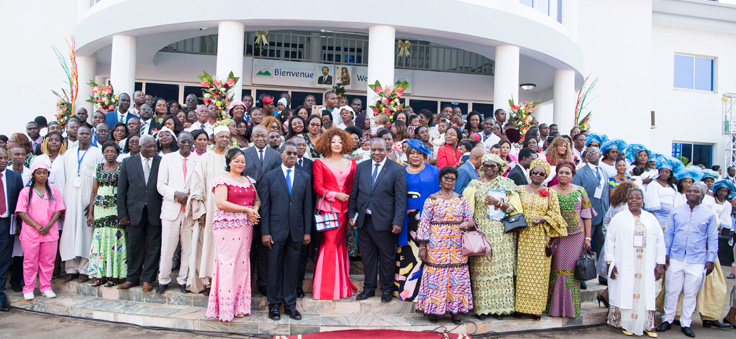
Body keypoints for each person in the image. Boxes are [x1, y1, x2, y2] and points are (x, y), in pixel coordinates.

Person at [657, 183, 719, 338]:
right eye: (689, 191)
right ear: (685, 194)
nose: (692, 193)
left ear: (702, 195)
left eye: (696, 191)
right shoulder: (676, 211)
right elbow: (669, 233)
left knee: (690, 293)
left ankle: (686, 323)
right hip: (676, 257)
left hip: (697, 259)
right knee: (672, 290)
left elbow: (712, 238)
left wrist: (710, 259)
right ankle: (667, 319)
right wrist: (665, 253)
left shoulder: (709, 214)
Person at [349, 138, 408, 302]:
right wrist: (351, 215)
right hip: (364, 221)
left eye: (380, 150)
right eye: (373, 149)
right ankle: (368, 288)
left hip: (386, 222)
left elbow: (401, 199)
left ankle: (387, 290)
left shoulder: (396, 169)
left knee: (387, 258)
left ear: (386, 149)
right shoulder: (361, 167)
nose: (376, 153)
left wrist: (397, 222)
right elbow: (354, 193)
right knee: (367, 257)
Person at [463, 154, 521, 319]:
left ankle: (500, 309)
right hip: (482, 233)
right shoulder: (474, 184)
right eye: (486, 165)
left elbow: (517, 209)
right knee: (481, 271)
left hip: (502, 234)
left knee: (501, 271)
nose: (489, 169)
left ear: (499, 167)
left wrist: (499, 203)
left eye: (493, 166)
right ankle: (482, 309)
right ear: (482, 166)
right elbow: (468, 210)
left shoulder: (507, 184)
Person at [205, 148, 260, 322]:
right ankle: (225, 307)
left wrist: (254, 211)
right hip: (226, 226)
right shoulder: (222, 180)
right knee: (227, 263)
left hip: (245, 225)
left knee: (242, 263)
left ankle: (240, 306)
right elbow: (221, 203)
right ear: (229, 162)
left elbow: (256, 199)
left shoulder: (248, 180)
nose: (240, 164)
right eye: (236, 161)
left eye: (243, 161)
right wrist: (246, 209)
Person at [415, 166, 474, 324]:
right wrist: (422, 247)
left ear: (455, 181)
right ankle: (434, 309)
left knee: (457, 276)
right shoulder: (431, 199)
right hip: (436, 244)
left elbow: (470, 219)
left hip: (457, 244)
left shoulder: (461, 199)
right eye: (446, 178)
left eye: (452, 179)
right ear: (440, 180)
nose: (449, 181)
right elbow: (424, 224)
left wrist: (467, 224)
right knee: (436, 276)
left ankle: (456, 310)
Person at [260, 141, 312, 321]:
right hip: (275, 231)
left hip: (297, 231)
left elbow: (307, 207)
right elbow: (265, 207)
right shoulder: (270, 177)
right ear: (281, 155)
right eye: (289, 153)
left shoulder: (304, 177)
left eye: (295, 154)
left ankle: (290, 305)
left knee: (292, 270)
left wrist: (307, 232)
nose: (292, 157)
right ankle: (274, 305)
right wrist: (265, 232)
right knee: (274, 269)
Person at [604, 187, 665, 336]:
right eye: (631, 197)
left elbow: (659, 240)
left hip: (646, 262)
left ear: (643, 201)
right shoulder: (619, 217)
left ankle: (646, 325)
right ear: (627, 199)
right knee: (625, 291)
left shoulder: (650, 218)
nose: (634, 201)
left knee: (645, 291)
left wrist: (660, 263)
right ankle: (627, 324)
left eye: (638, 198)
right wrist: (609, 263)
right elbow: (609, 240)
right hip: (624, 262)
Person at [516, 158, 568, 319]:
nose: (537, 175)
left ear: (545, 176)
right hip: (522, 235)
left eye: (541, 174)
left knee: (539, 272)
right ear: (529, 173)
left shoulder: (550, 192)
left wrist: (543, 219)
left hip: (540, 236)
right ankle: (520, 307)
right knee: (521, 271)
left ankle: (536, 309)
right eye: (535, 172)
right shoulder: (519, 189)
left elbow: (556, 214)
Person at [310, 128, 357, 300]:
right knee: (329, 244)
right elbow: (318, 187)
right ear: (327, 143)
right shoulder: (319, 163)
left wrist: (352, 209)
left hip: (345, 211)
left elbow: (353, 188)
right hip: (328, 210)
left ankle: (341, 286)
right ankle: (326, 289)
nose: (337, 144)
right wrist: (334, 195)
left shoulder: (352, 164)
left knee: (340, 245)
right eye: (333, 141)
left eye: (340, 141)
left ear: (345, 144)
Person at [187, 126, 231, 294]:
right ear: (214, 138)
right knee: (208, 245)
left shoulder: (231, 157)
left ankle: (222, 280)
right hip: (210, 209)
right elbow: (197, 185)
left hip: (228, 211)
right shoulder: (206, 158)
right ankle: (208, 280)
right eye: (221, 137)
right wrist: (201, 210)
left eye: (227, 137)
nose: (224, 140)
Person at [548, 161, 594, 318]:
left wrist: (588, 237)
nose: (564, 175)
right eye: (561, 172)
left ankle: (571, 308)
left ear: (572, 175)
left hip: (576, 236)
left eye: (567, 173)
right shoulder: (550, 191)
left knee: (572, 270)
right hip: (558, 235)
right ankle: (555, 307)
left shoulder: (580, 191)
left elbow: (587, 216)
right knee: (557, 268)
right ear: (557, 174)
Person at [116, 135, 162, 292]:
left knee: (154, 246)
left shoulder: (160, 161)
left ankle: (148, 279)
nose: (153, 150)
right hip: (134, 211)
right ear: (140, 147)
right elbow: (121, 190)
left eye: (154, 147)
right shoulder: (128, 162)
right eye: (149, 147)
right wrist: (122, 213)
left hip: (155, 210)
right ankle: (132, 278)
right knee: (134, 245)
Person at [395, 140, 439, 301]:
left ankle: (427, 292)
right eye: (412, 153)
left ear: (424, 156)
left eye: (419, 153)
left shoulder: (435, 171)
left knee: (426, 253)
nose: (415, 156)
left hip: (428, 219)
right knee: (407, 253)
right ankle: (406, 292)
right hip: (405, 220)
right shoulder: (400, 171)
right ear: (407, 155)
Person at [155, 131, 198, 294]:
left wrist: (190, 196)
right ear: (177, 142)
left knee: (188, 248)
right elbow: (161, 185)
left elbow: (200, 183)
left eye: (189, 142)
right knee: (167, 247)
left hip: (189, 210)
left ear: (192, 143)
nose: (186, 145)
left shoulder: (198, 160)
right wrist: (176, 195)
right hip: (171, 209)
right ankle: (163, 280)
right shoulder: (167, 159)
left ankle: (183, 280)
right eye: (183, 142)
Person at [15, 159, 63, 301]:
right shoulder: (26, 192)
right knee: (30, 261)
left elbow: (58, 210)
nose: (42, 176)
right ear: (33, 175)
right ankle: (28, 288)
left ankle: (46, 287)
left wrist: (47, 226)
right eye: (39, 173)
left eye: (44, 173)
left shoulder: (53, 191)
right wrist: (37, 226)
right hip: (31, 233)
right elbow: (22, 212)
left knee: (48, 261)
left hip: (49, 232)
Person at [60, 126, 103, 282]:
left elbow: (100, 178)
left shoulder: (98, 153)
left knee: (86, 234)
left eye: (87, 134)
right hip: (70, 200)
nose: (84, 136)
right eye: (81, 134)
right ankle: (70, 269)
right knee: (70, 234)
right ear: (76, 136)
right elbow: (63, 178)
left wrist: (93, 203)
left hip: (87, 201)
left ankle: (84, 269)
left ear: (91, 136)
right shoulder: (68, 154)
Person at [243, 125, 282, 296]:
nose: (260, 139)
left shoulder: (276, 155)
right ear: (251, 137)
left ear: (268, 137)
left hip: (270, 207)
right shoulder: (243, 154)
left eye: (263, 136)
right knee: (248, 247)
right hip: (247, 207)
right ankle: (247, 282)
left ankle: (264, 282)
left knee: (266, 247)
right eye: (256, 136)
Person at [85, 141, 126, 288]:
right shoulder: (98, 168)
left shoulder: (122, 166)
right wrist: (91, 212)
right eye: (107, 151)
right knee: (100, 241)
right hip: (100, 209)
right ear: (103, 153)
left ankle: (114, 276)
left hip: (115, 208)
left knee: (114, 241)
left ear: (117, 152)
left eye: (112, 151)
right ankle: (100, 275)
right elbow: (94, 191)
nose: (110, 154)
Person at [572, 146, 610, 283]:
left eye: (595, 152)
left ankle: (603, 275)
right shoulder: (580, 173)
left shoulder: (604, 172)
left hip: (602, 214)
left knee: (602, 245)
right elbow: (576, 193)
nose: (592, 155)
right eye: (589, 153)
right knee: (582, 245)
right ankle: (581, 276)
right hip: (586, 215)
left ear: (600, 154)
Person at [644, 155, 682, 227]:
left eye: (666, 172)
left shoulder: (673, 186)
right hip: (658, 215)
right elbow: (651, 202)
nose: (664, 173)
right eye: (662, 171)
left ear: (670, 174)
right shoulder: (653, 184)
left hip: (670, 216)